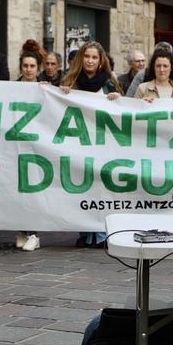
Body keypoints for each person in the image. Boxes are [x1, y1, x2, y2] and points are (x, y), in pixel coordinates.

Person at [61, 41, 123, 248]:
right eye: (87, 56)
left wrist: (118, 98)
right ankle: (86, 233)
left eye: (94, 57)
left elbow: (123, 111)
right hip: (79, 145)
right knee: (83, 188)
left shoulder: (109, 83)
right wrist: (56, 92)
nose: (90, 61)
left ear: (100, 60)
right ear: (81, 58)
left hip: (104, 145)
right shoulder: (70, 81)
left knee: (101, 189)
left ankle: (102, 234)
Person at [14, 42, 47, 251]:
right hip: (16, 144)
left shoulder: (45, 89)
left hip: (36, 146)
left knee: (33, 189)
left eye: (32, 66)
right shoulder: (11, 88)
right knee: (17, 190)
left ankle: (34, 234)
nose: (28, 70)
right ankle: (20, 231)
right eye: (25, 66)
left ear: (38, 68)